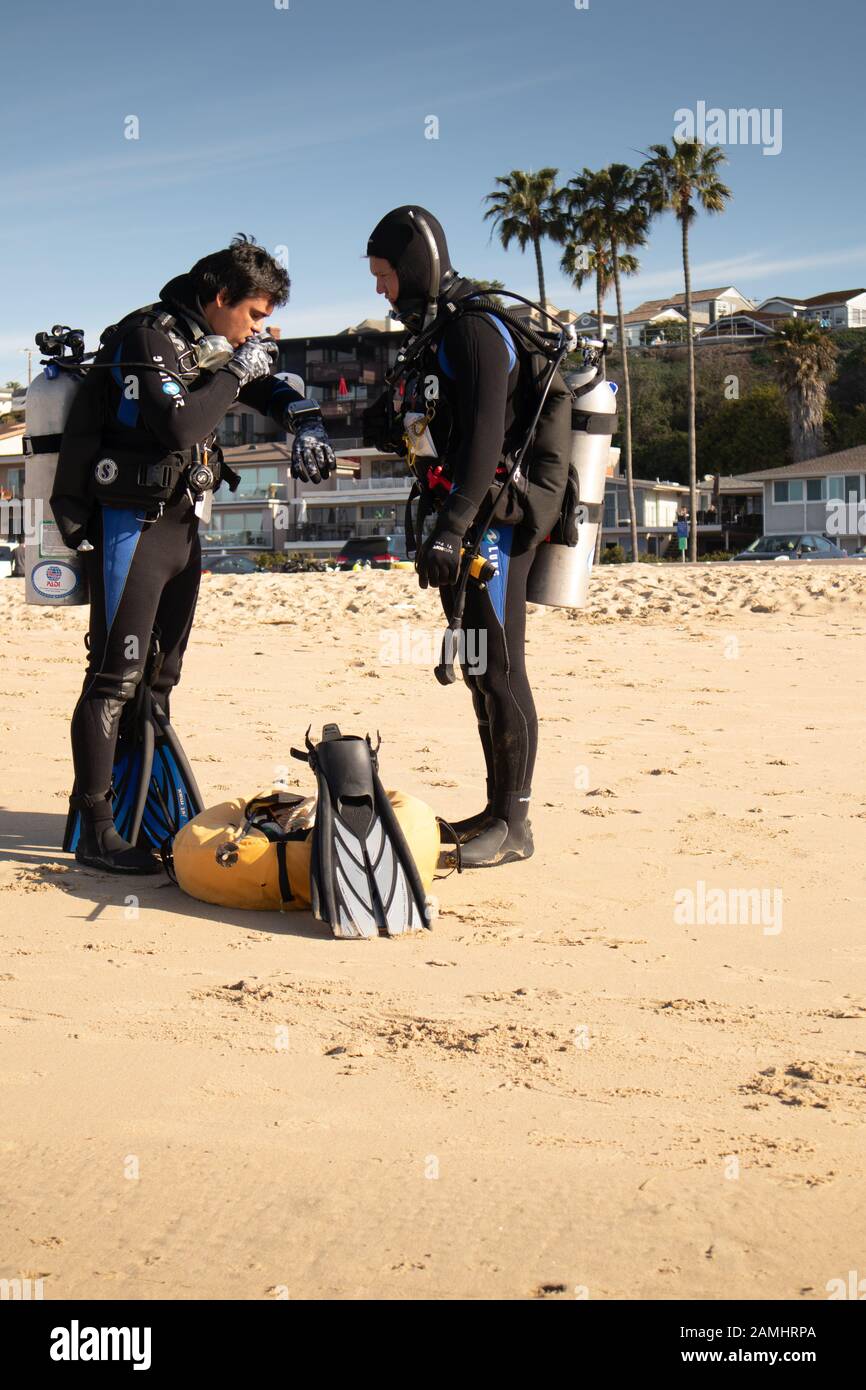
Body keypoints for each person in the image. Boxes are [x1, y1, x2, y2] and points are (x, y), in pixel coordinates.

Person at [51, 235, 336, 873]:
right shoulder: (148, 339)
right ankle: (96, 829)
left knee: (161, 678)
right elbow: (180, 424)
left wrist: (306, 421)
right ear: (220, 296)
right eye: (253, 315)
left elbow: (263, 390)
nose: (256, 329)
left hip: (180, 529)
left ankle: (143, 810)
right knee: (114, 677)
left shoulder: (207, 343)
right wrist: (238, 369)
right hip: (131, 526)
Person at [363, 206, 570, 868]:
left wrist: (453, 528)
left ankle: (515, 825)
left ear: (413, 266)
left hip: (494, 521)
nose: (380, 289)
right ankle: (496, 811)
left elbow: (483, 439)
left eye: (385, 274)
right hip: (467, 517)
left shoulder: (475, 329)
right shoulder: (436, 333)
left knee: (501, 670)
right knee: (482, 669)